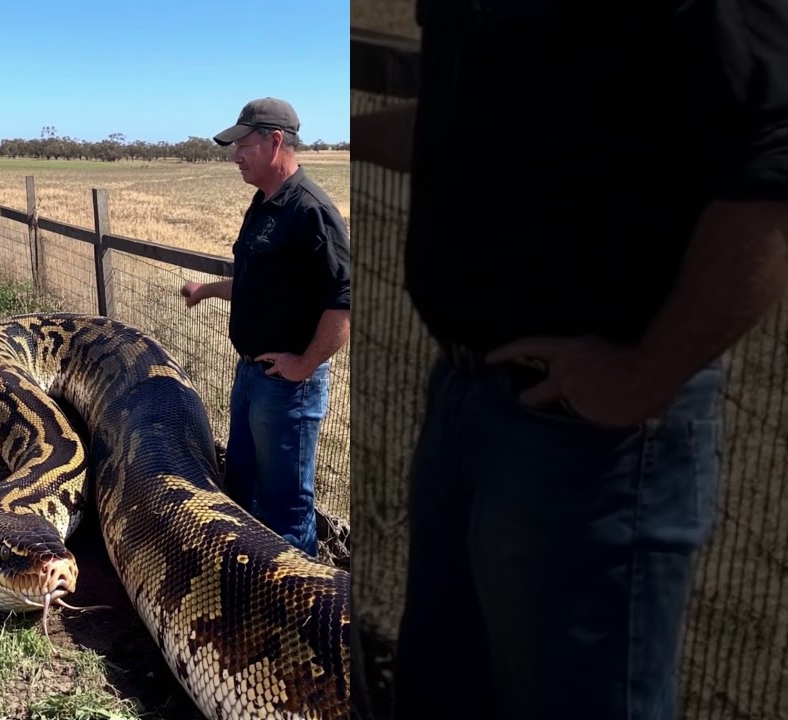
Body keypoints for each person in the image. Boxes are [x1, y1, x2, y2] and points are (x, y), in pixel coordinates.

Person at [350, 1, 788, 719]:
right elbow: (470, 128)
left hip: (584, 435)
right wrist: (341, 141)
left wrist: (645, 375)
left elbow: (772, 149)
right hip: (464, 394)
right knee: (441, 691)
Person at [181, 97, 350, 557]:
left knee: (286, 509)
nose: (235, 155)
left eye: (243, 145)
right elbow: (259, 284)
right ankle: (247, 583)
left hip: (286, 385)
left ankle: (301, 610)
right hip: (251, 375)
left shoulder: (311, 212)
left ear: (275, 142)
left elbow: (345, 302)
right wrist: (207, 291)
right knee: (242, 484)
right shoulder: (264, 204)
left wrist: (305, 363)